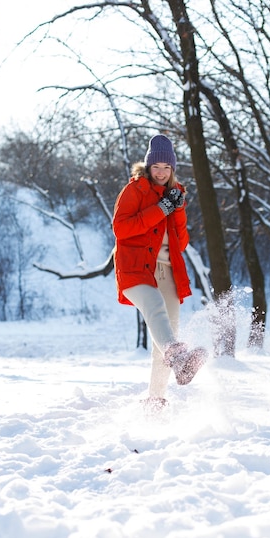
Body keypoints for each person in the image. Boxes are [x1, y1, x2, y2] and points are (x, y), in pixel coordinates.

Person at [112, 134, 207, 411]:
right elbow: (121, 229)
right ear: (148, 167)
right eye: (157, 167)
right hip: (136, 270)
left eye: (167, 167)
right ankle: (180, 360)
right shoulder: (134, 190)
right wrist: (159, 209)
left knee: (166, 338)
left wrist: (175, 209)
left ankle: (155, 401)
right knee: (154, 308)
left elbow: (182, 241)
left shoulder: (175, 195)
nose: (162, 173)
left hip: (167, 272)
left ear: (173, 169)